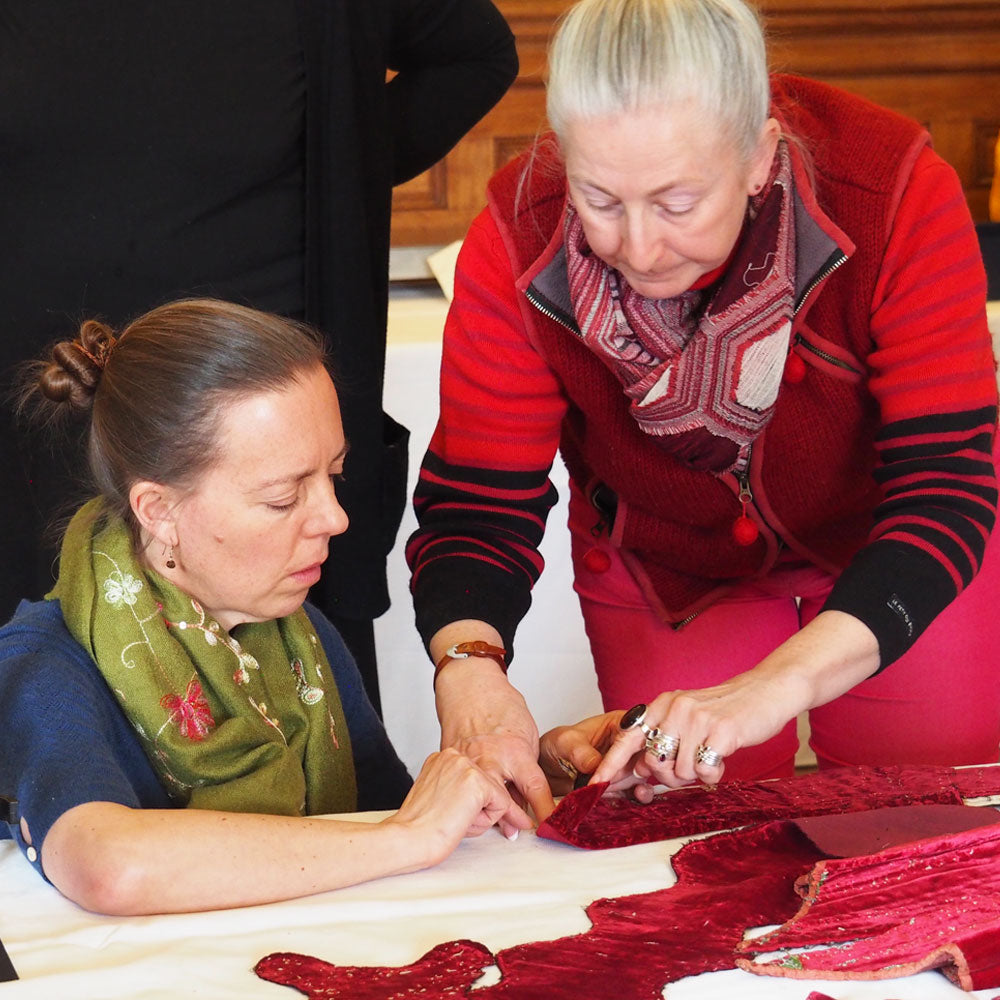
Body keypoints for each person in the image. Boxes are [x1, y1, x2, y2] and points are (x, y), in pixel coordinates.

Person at [406, 0, 1000, 831]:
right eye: (599, 199)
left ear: (760, 155)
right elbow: (478, 501)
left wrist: (776, 684)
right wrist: (469, 670)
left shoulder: (892, 186)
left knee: (931, 817)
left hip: (892, 542)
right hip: (668, 568)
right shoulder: (516, 235)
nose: (639, 248)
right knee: (694, 830)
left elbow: (944, 486)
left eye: (677, 204)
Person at [0, 0, 518, 715]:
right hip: (36, 424)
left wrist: (343, 169)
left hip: (260, 434)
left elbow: (477, 54)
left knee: (307, 752)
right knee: (50, 742)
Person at [0, 299, 534, 916]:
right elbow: (109, 866)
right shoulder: (45, 664)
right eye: (283, 499)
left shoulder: (302, 635)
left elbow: (390, 814)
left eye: (335, 474)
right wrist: (405, 837)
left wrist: (535, 774)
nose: (336, 518)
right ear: (158, 511)